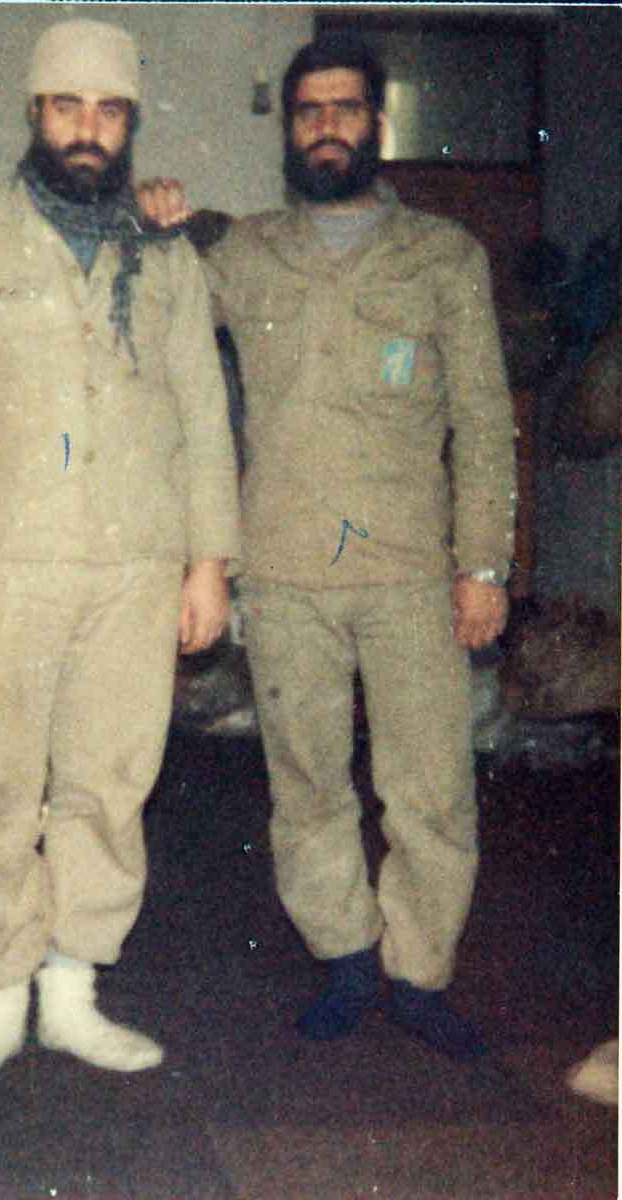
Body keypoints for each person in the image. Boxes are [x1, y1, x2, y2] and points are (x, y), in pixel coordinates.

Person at [0, 18, 240, 1087]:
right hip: (3, 563)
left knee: (108, 783)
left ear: (130, 125)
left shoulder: (163, 251)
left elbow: (204, 414)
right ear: (35, 113)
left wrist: (209, 562)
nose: (87, 127)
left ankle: (72, 996)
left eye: (108, 110)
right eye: (67, 105)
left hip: (135, 564)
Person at [139, 33, 516, 1059]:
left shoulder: (443, 255)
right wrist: (151, 218)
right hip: (286, 567)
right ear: (290, 129)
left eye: (346, 109)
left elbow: (484, 420)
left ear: (376, 126)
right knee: (306, 782)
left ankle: (419, 973)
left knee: (429, 786)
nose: (328, 127)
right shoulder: (245, 252)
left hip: (410, 570)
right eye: (310, 111)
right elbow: (153, 304)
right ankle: (347, 958)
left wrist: (483, 565)